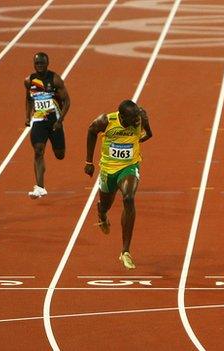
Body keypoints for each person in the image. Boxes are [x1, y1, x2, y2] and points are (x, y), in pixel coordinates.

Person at [84, 100, 153, 269]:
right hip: (108, 169)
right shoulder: (106, 121)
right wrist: (88, 161)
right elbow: (91, 131)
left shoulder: (140, 117)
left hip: (129, 166)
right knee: (106, 204)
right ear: (122, 116)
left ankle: (125, 251)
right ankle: (101, 212)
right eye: (132, 118)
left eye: (137, 116)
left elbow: (149, 134)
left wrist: (136, 141)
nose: (136, 120)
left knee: (129, 198)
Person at [24, 52, 70, 198]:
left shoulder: (55, 80)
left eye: (42, 63)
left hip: (54, 122)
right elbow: (29, 99)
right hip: (38, 120)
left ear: (47, 63)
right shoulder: (29, 80)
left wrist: (60, 120)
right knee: (38, 151)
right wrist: (27, 116)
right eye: (37, 63)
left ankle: (58, 140)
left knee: (60, 155)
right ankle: (40, 187)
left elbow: (67, 101)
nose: (39, 66)